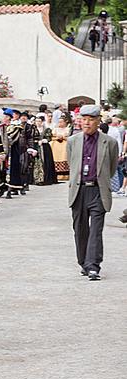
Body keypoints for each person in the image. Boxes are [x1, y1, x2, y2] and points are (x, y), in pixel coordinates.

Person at [66, 104, 118, 281]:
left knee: (96, 230)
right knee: (80, 229)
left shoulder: (109, 142)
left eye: (90, 120)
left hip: (97, 190)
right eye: (83, 119)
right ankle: (84, 263)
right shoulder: (73, 141)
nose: (86, 123)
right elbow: (71, 165)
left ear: (98, 121)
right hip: (79, 190)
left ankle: (94, 266)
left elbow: (111, 169)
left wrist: (99, 180)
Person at [51, 116, 71, 181]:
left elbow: (69, 137)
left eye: (61, 122)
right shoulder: (55, 129)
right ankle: (56, 175)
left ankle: (65, 175)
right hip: (56, 146)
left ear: (65, 122)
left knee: (65, 157)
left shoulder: (68, 129)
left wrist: (63, 137)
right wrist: (57, 137)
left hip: (65, 145)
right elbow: (52, 137)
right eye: (59, 122)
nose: (60, 123)